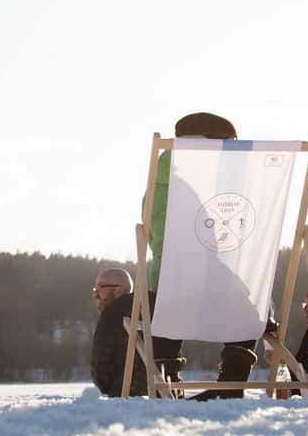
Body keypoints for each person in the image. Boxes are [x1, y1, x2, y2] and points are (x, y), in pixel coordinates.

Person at [147, 112, 259, 400]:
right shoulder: (196, 181)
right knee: (253, 307)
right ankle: (232, 382)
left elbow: (151, 236)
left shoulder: (161, 178)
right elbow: (214, 239)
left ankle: (166, 380)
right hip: (194, 278)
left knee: (170, 305)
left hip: (165, 283)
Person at [89, 268, 148, 396]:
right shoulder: (152, 311)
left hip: (124, 393)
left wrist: (111, 389)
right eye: (95, 290)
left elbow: (100, 368)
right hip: (165, 389)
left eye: (100, 289)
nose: (95, 295)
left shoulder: (110, 316)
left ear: (118, 291)